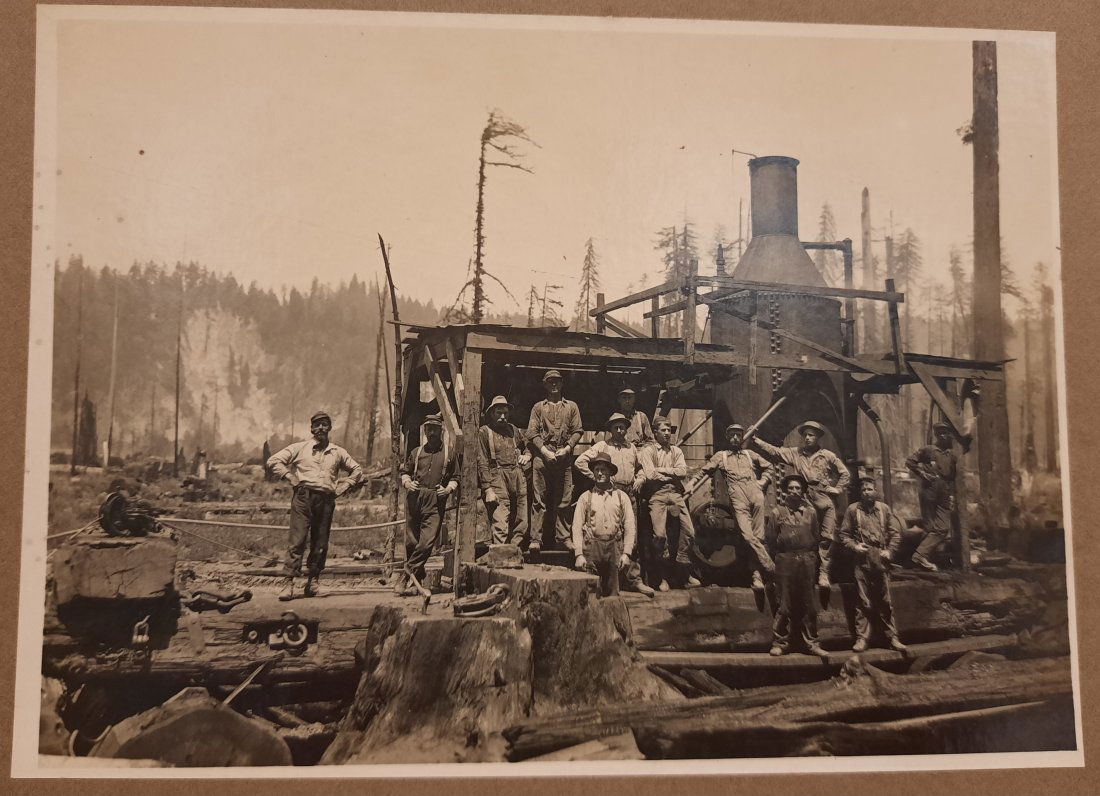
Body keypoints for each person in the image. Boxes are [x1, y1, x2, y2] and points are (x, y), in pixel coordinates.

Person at [267, 410, 364, 600]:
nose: (321, 428)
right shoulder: (300, 448)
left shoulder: (337, 452)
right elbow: (273, 461)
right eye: (317, 425)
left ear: (329, 428)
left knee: (320, 543)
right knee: (297, 541)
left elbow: (357, 470)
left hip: (326, 500)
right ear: (311, 428)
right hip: (303, 498)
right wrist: (289, 476)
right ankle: (288, 584)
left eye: (324, 424)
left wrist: (345, 485)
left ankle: (313, 582)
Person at [751, 420, 849, 586]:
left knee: (826, 538)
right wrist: (756, 440)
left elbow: (844, 473)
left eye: (811, 435)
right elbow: (775, 451)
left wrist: (837, 489)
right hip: (806, 502)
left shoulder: (827, 455)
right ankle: (802, 573)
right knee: (804, 537)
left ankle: (823, 574)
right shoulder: (796, 453)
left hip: (825, 502)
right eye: (805, 435)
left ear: (818, 437)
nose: (808, 438)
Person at [575, 413, 653, 596]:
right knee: (607, 536)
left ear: (627, 429)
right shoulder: (603, 446)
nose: (619, 430)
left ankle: (634, 580)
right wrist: (597, 476)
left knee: (630, 538)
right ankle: (610, 582)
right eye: (615, 427)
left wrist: (640, 479)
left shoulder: (632, 447)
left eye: (622, 427)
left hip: (628, 494)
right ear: (610, 429)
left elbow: (641, 469)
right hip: (608, 490)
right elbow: (580, 462)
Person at [692, 423, 775, 590]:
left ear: (742, 437)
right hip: (737, 496)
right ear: (727, 437)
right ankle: (769, 565)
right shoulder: (720, 456)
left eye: (738, 435)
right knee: (747, 534)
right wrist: (692, 483)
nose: (735, 438)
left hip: (755, 493)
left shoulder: (750, 454)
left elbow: (769, 467)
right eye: (732, 435)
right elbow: (704, 471)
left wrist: (763, 481)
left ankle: (756, 575)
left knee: (759, 536)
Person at [838, 476, 908, 653]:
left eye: (869, 489)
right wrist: (855, 546)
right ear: (860, 493)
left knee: (885, 601)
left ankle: (892, 638)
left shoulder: (884, 509)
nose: (866, 492)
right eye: (863, 490)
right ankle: (862, 639)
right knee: (863, 602)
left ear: (875, 491)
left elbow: (896, 533)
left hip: (881, 559)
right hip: (862, 560)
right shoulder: (853, 510)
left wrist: (890, 551)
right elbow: (843, 535)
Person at [766, 474, 828, 657]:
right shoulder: (777, 513)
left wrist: (810, 557)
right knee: (783, 603)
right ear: (785, 491)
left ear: (803, 491)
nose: (794, 492)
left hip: (807, 560)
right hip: (785, 560)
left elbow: (816, 537)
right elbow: (770, 539)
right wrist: (781, 556)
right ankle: (780, 642)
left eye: (798, 488)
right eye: (791, 488)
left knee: (809, 603)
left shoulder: (811, 512)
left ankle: (812, 643)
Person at [398, 414, 458, 597]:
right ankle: (417, 581)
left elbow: (456, 478)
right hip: (414, 499)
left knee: (426, 544)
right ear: (424, 431)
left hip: (435, 500)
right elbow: (405, 473)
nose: (431, 432)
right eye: (428, 429)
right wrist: (407, 482)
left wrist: (447, 489)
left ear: (441, 431)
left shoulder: (449, 453)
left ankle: (405, 574)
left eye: (435, 429)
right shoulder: (416, 453)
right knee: (411, 543)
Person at [639, 416, 700, 591]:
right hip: (656, 495)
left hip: (676, 494)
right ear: (655, 432)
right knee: (659, 536)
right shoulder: (648, 450)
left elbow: (682, 471)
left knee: (689, 532)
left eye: (669, 430)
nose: (667, 433)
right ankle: (662, 576)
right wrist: (670, 473)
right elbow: (650, 475)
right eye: (663, 430)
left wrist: (662, 470)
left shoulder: (676, 451)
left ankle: (684, 572)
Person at [527, 370, 583, 553]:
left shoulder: (571, 406)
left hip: (563, 457)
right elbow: (532, 433)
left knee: (565, 499)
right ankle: (536, 539)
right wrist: (544, 450)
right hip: (542, 457)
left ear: (562, 384)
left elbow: (577, 430)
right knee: (538, 500)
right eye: (550, 381)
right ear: (545, 384)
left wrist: (567, 448)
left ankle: (564, 537)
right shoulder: (538, 407)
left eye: (557, 382)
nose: (554, 385)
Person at [572, 452, 636, 597]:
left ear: (610, 472)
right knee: (590, 594)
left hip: (614, 548)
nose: (599, 473)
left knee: (612, 595)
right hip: (591, 549)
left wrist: (626, 553)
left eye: (603, 470)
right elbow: (576, 527)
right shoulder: (585, 497)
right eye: (596, 470)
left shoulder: (621, 497)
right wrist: (578, 554)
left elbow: (630, 526)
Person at [478, 395, 531, 546]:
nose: (502, 417)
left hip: (517, 474)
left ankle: (515, 548)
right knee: (501, 517)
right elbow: (481, 461)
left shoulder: (514, 430)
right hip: (497, 475)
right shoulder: (484, 432)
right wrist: (487, 488)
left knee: (522, 517)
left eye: (505, 413)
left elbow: (528, 445)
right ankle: (500, 551)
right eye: (498, 413)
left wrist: (527, 455)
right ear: (491, 413)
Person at [905, 421, 957, 571]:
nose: (942, 435)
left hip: (945, 491)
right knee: (929, 527)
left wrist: (952, 494)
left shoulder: (953, 453)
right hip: (929, 490)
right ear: (935, 434)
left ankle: (919, 555)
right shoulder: (928, 450)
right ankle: (923, 561)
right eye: (939, 432)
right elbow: (910, 461)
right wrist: (922, 473)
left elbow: (955, 477)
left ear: (949, 435)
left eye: (945, 432)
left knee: (942, 528)